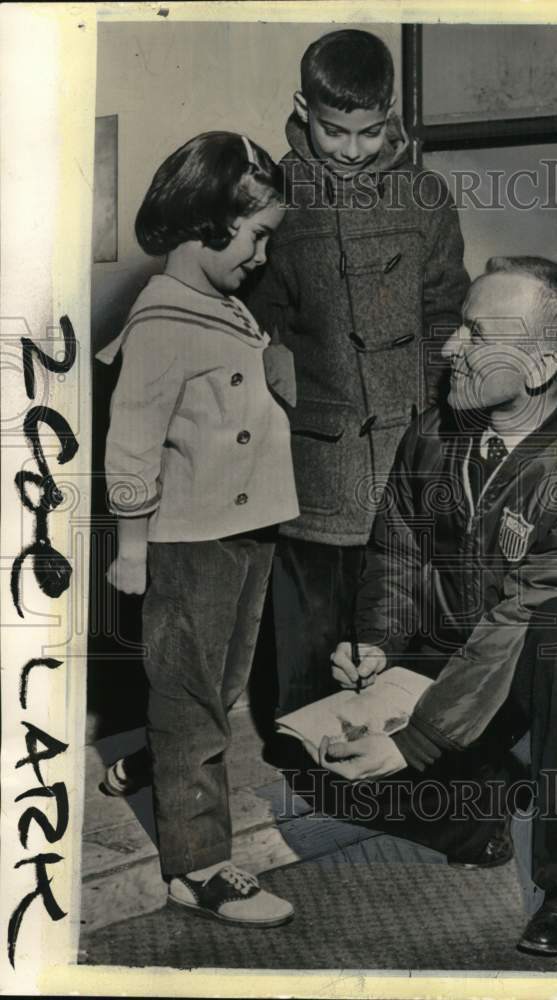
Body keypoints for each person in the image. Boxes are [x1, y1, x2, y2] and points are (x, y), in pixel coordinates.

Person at [287, 257, 557, 956]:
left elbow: (516, 622)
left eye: (474, 334)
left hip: (532, 654)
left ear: (538, 367)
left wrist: (415, 740)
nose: (447, 350)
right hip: (458, 640)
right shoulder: (435, 434)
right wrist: (375, 642)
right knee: (310, 754)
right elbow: (399, 549)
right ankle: (481, 807)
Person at [96, 132, 298, 927]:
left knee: (219, 688)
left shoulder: (222, 307)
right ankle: (199, 865)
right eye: (254, 234)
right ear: (207, 222)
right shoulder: (161, 322)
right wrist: (134, 549)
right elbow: (131, 440)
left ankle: (160, 756)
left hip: (248, 528)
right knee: (192, 699)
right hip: (190, 540)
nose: (261, 252)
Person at [246, 28, 469, 716]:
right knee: (311, 649)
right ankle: (312, 771)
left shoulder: (425, 198)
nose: (351, 149)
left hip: (407, 448)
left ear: (390, 115)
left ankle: (394, 763)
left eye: (369, 132)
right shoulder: (272, 196)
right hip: (315, 456)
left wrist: (444, 429)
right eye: (333, 131)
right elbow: (253, 310)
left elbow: (446, 315)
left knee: (401, 625)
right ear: (302, 108)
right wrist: (269, 344)